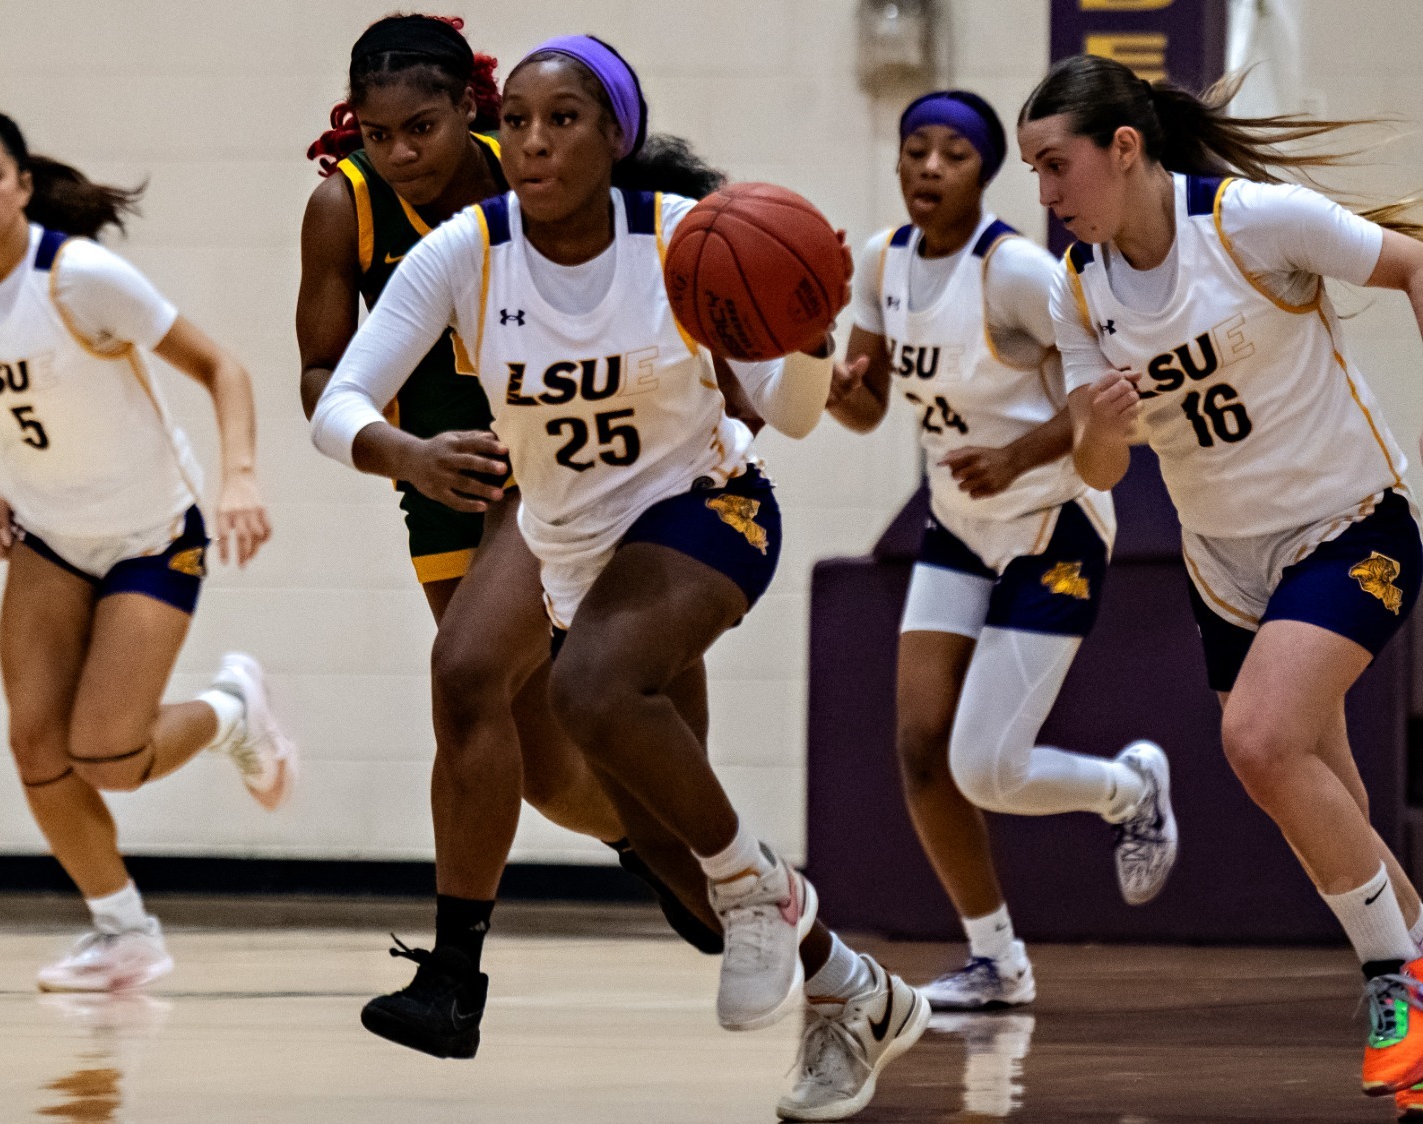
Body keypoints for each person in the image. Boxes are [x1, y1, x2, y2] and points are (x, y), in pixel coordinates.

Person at [315, 34, 925, 1120]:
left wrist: (804, 340)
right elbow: (336, 403)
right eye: (519, 121)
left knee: (584, 687)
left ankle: (752, 893)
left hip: (706, 513)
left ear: (614, 136)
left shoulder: (687, 241)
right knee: (657, 839)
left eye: (563, 119)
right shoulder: (465, 250)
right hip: (571, 553)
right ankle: (852, 987)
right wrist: (404, 452)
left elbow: (785, 413)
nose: (534, 140)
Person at [296, 14, 724, 1049]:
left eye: (422, 128)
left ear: (470, 112)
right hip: (444, 478)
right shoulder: (341, 209)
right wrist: (411, 453)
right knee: (540, 768)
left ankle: (455, 977)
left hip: (577, 467)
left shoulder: (533, 174)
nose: (399, 153)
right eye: (378, 133)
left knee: (473, 674)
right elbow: (320, 377)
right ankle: (665, 852)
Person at [1020, 53, 1423, 1100]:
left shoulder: (1251, 223)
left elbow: (1413, 260)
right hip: (1223, 566)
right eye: (1031, 172)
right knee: (1320, 793)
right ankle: (1410, 950)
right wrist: (1099, 432)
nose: (1044, 195)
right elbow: (1097, 468)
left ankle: (1398, 977)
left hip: (1345, 524)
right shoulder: (1075, 290)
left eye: (1055, 166)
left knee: (1255, 740)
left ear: (1122, 149)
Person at [0, 108, 293, 992]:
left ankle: (232, 711)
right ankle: (123, 933)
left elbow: (222, 368)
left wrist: (239, 474)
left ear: (21, 186)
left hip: (151, 535)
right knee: (34, 749)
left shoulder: (79, 278)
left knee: (109, 760)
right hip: (47, 538)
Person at [826, 89, 1176, 1011]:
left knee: (988, 767)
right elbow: (863, 413)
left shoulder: (1020, 273)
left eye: (954, 154)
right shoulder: (880, 262)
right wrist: (825, 376)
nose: (930, 168)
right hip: (957, 521)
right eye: (916, 150)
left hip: (1051, 523)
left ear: (985, 172)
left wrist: (1016, 454)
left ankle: (1128, 786)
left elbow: (1095, 401)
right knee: (919, 750)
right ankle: (996, 961)